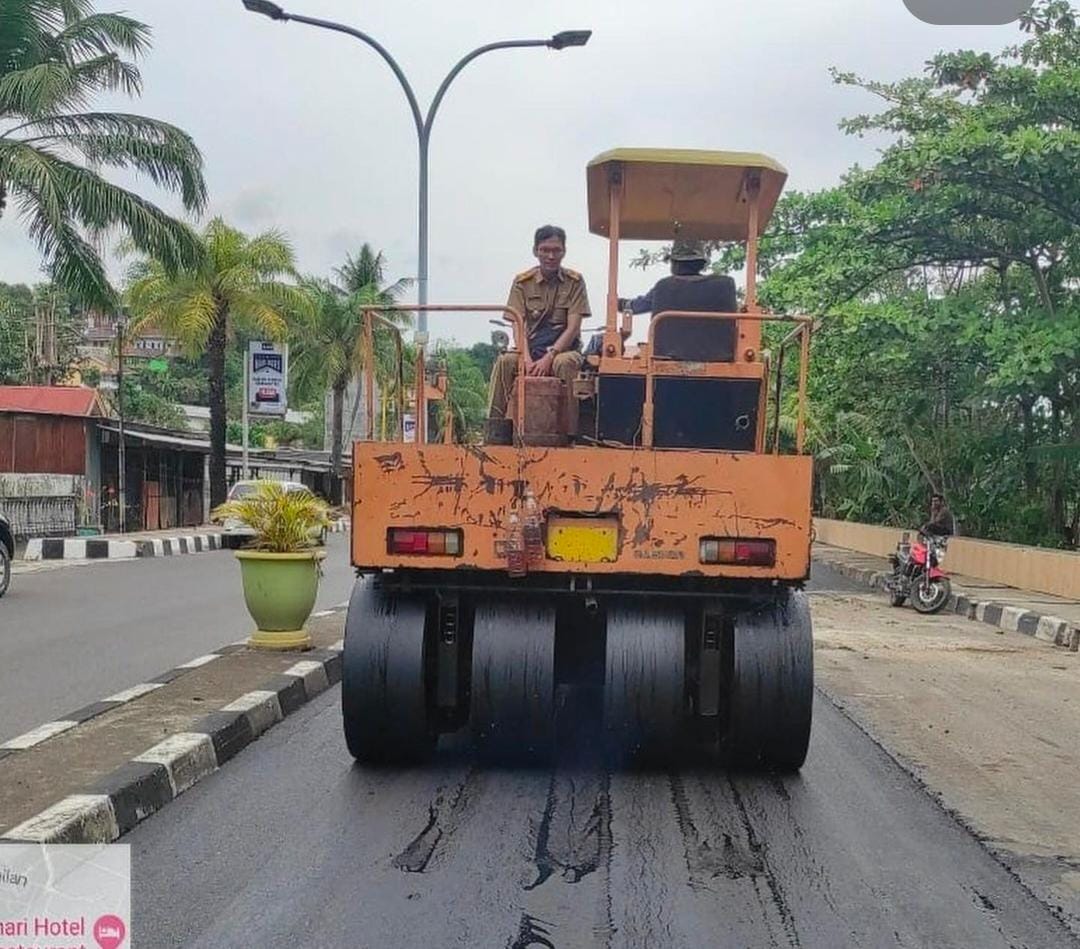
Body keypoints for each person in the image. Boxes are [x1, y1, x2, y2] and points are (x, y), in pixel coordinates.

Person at [486, 225, 591, 441]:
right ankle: (496, 429)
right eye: (545, 250)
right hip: (529, 350)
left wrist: (549, 357)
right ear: (535, 251)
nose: (550, 256)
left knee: (565, 363)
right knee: (506, 361)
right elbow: (517, 322)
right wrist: (525, 358)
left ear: (564, 251)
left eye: (556, 250)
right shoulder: (521, 283)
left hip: (562, 351)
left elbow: (573, 327)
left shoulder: (575, 282)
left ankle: (568, 433)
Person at [583, 239, 728, 356]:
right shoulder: (720, 288)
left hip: (666, 356)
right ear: (701, 264)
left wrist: (618, 303)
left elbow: (636, 306)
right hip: (716, 356)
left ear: (675, 264)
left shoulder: (664, 287)